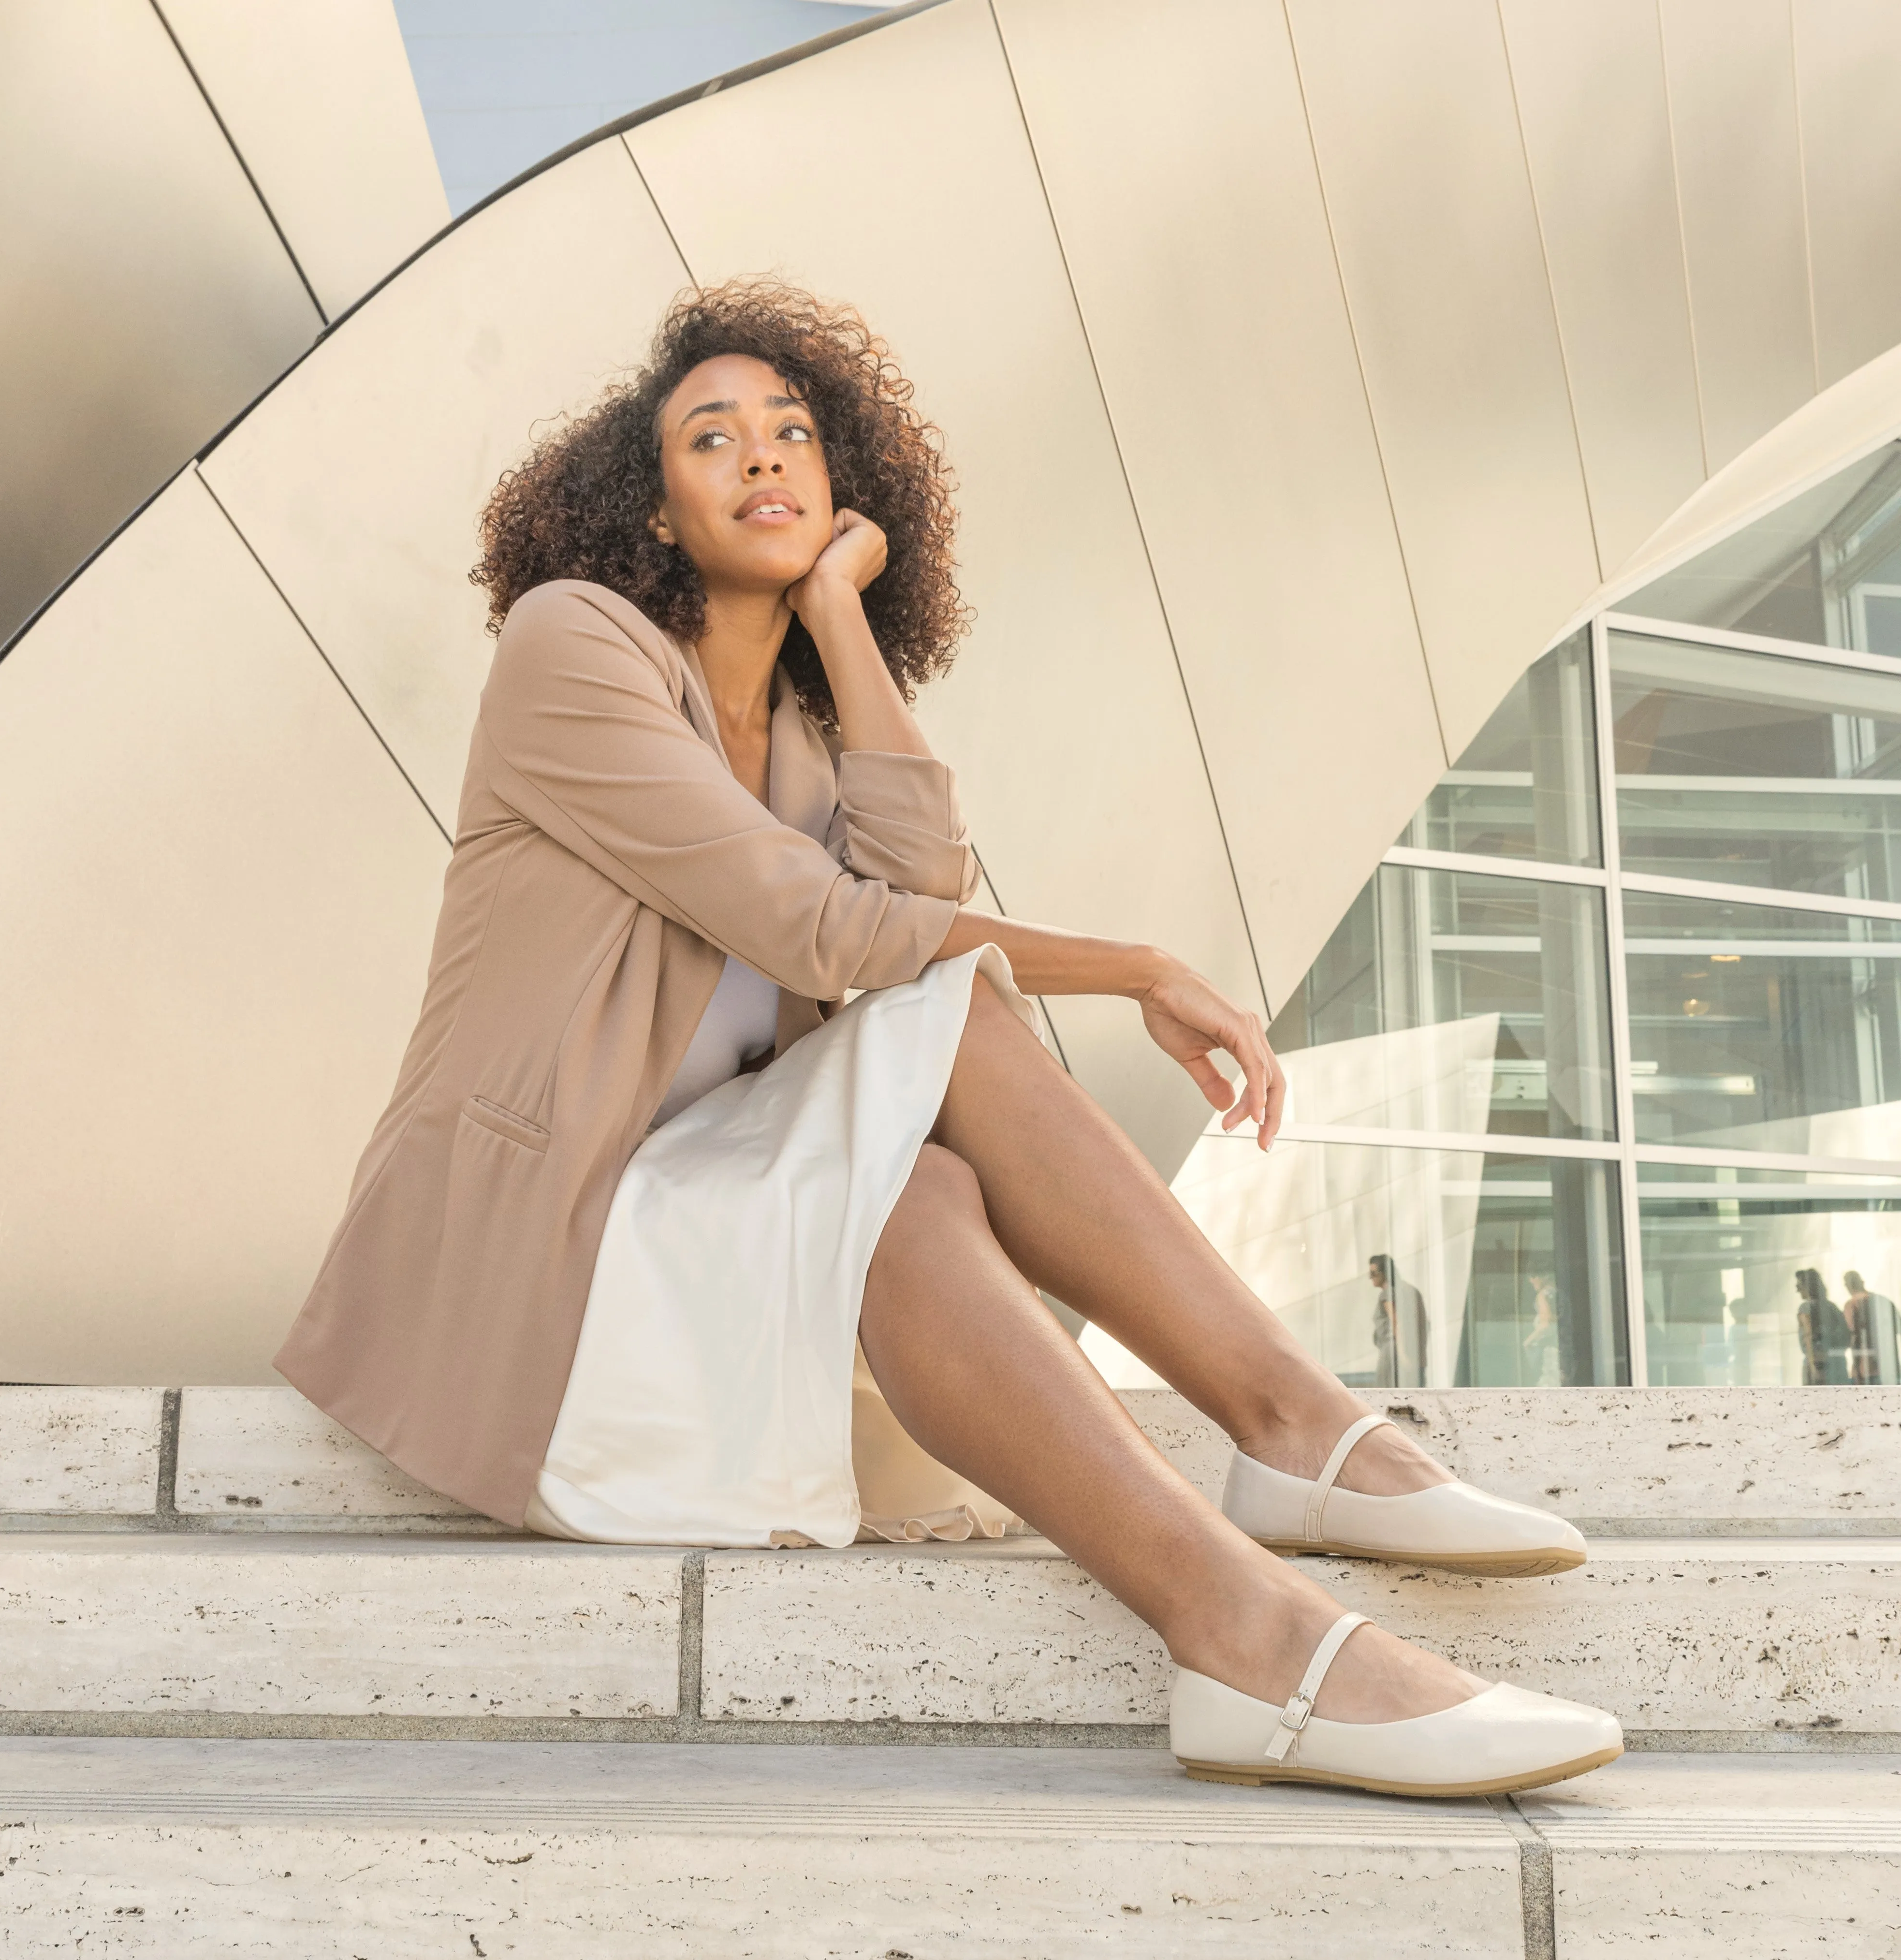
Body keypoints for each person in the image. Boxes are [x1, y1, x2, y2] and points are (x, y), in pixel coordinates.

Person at [274, 282, 1619, 1799]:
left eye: (794, 433)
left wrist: (839, 619)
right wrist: (1131, 966)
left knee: (922, 1181)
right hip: (558, 1265)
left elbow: (918, 887)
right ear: (646, 508)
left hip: (716, 1233)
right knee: (944, 1008)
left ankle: (1249, 1605)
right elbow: (833, 935)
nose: (763, 457)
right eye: (711, 438)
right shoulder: (570, 647)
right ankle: (1289, 1460)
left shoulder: (792, 729)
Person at [1368, 1254, 1429, 1388]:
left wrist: (1403, 1356)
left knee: (1385, 1394)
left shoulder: (1388, 1294)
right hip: (1409, 1352)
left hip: (1393, 1353)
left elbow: (1397, 1323)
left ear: (1385, 1273)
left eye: (1374, 1273)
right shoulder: (1410, 1290)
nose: (1370, 1278)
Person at [1795, 1269, 1851, 1385]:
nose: (1798, 1290)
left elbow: (1808, 1335)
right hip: (1837, 1363)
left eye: (1800, 1286)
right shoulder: (1832, 1307)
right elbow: (1847, 1336)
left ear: (1808, 1287)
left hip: (1817, 1364)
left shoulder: (1806, 1308)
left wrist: (1813, 1365)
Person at [1842, 1271, 1895, 1385]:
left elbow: (1851, 1336)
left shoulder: (1851, 1305)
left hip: (1864, 1368)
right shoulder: (1881, 1301)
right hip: (1888, 1366)